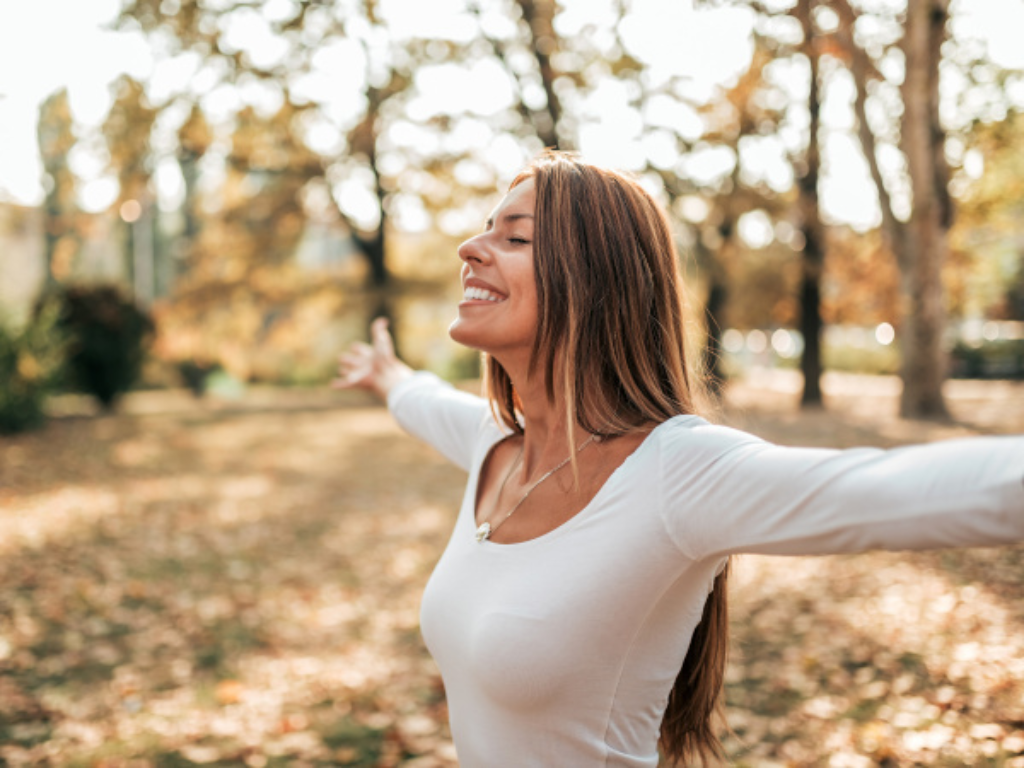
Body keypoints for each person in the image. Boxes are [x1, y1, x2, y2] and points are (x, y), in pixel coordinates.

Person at [334, 151, 1023, 767]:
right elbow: (423, 402)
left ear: (596, 282)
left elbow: (890, 491)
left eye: (515, 237)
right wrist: (389, 376)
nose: (470, 247)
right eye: (487, 228)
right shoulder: (498, 446)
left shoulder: (675, 473)